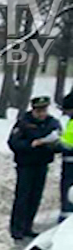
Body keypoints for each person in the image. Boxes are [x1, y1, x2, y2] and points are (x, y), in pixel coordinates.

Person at [8, 95, 62, 240]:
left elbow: (59, 141)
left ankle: (28, 226)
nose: (42, 114)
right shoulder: (24, 123)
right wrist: (31, 145)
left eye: (44, 110)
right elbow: (14, 143)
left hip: (42, 163)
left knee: (35, 196)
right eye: (39, 111)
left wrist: (52, 145)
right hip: (26, 164)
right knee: (22, 196)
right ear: (33, 110)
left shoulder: (52, 123)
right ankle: (16, 228)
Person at [59, 92, 73, 223]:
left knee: (68, 195)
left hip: (70, 167)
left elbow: (67, 144)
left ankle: (65, 222)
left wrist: (57, 144)